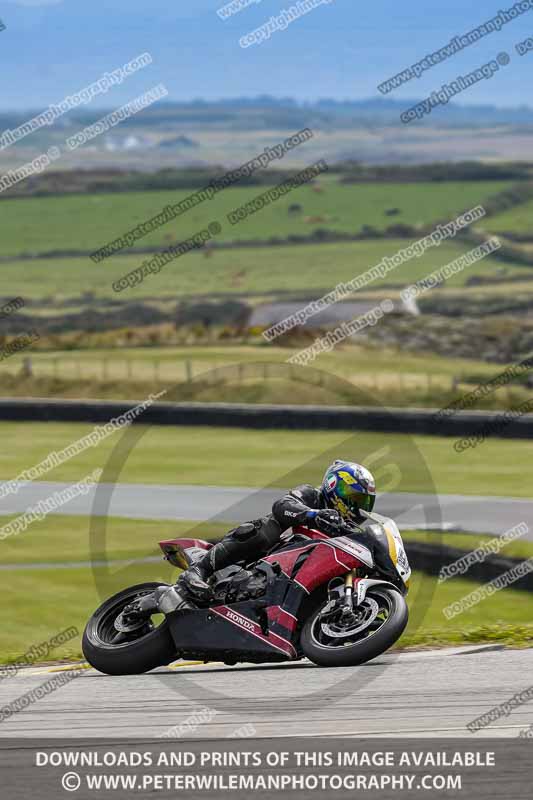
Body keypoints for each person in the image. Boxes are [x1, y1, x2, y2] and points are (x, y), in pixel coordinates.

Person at [175, 459, 377, 604]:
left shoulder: (346, 530)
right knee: (267, 529)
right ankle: (198, 570)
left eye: (364, 502)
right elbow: (282, 506)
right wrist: (313, 515)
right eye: (355, 499)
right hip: (265, 558)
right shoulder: (311, 496)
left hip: (293, 580)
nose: (358, 507)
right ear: (336, 487)